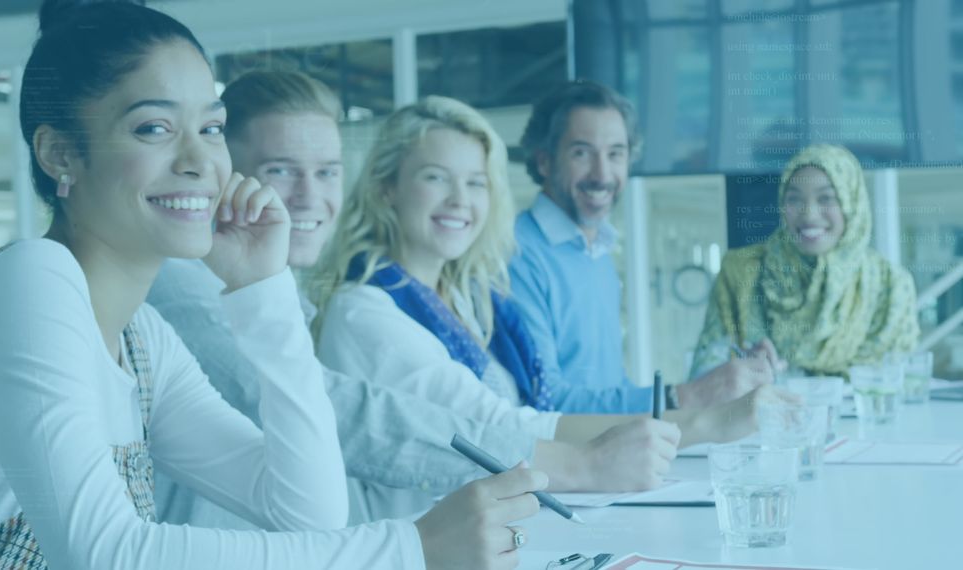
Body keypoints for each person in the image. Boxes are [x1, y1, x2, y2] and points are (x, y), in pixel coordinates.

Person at [0, 3, 544, 569]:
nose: (201, 160)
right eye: (154, 128)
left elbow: (309, 510)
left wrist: (263, 289)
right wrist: (410, 548)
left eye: (211, 127)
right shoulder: (29, 281)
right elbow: (107, 555)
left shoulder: (142, 338)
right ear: (59, 154)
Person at [150, 70, 694, 526]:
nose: (309, 196)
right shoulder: (189, 285)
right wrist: (584, 460)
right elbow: (346, 415)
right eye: (280, 170)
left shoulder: (298, 289)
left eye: (326, 172)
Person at [311, 95, 784, 517]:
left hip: (508, 520)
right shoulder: (366, 313)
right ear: (386, 188)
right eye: (436, 178)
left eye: (475, 182)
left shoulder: (465, 297)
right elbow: (499, 427)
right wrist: (702, 419)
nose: (460, 199)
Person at [511, 80, 782, 414]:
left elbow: (612, 391)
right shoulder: (518, 254)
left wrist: (721, 381)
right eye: (581, 153)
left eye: (615, 154)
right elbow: (547, 401)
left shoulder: (595, 250)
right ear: (544, 162)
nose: (602, 173)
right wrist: (685, 397)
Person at [692, 143, 919, 378]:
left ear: (852, 203)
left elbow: (900, 382)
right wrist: (741, 368)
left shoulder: (891, 284)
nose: (809, 214)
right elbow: (702, 378)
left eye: (826, 198)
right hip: (761, 414)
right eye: (794, 199)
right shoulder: (741, 271)